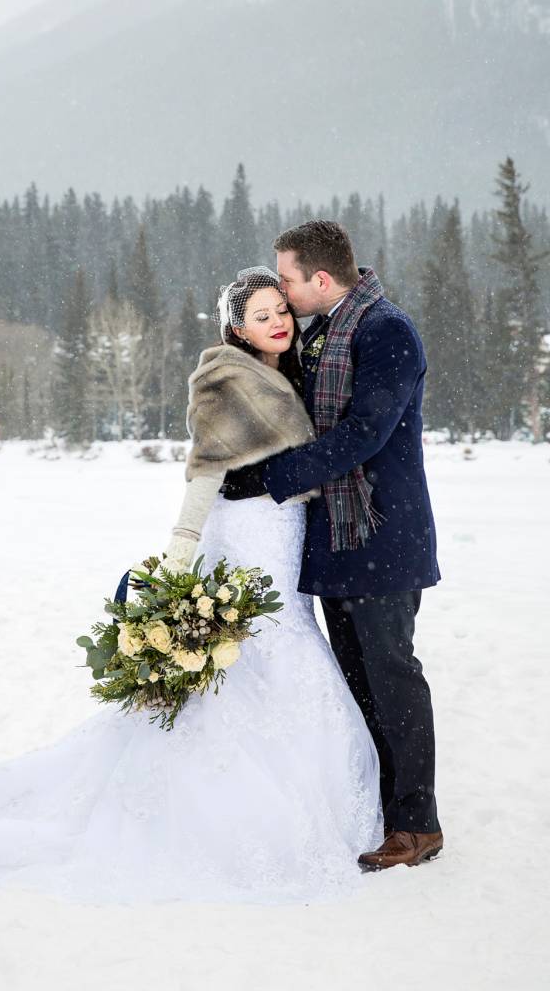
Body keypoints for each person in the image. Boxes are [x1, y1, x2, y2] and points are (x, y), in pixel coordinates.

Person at [0, 268, 381, 904]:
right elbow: (205, 472)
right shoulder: (226, 377)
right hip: (244, 535)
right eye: (261, 314)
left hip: (283, 532)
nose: (277, 321)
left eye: (280, 310)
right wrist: (179, 553)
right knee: (256, 652)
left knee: (283, 645)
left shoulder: (292, 372)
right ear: (236, 327)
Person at [261, 221, 442, 871]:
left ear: (320, 278)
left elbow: (365, 431)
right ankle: (377, 808)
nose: (282, 290)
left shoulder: (386, 331)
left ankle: (417, 824)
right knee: (355, 683)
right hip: (337, 542)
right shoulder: (323, 335)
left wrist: (277, 476)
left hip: (383, 536)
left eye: (286, 277)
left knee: (393, 678)